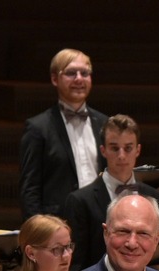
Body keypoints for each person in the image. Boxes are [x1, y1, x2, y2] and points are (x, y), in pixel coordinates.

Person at [62, 114, 159, 271]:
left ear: (138, 150)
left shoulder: (155, 197)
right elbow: (76, 263)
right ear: (103, 150)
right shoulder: (80, 201)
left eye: (128, 148)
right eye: (114, 148)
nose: (121, 155)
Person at [18, 48, 107, 219]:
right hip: (58, 223)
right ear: (54, 79)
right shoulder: (38, 128)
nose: (79, 78)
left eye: (85, 73)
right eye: (71, 73)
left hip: (100, 220)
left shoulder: (105, 123)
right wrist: (38, 232)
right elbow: (29, 190)